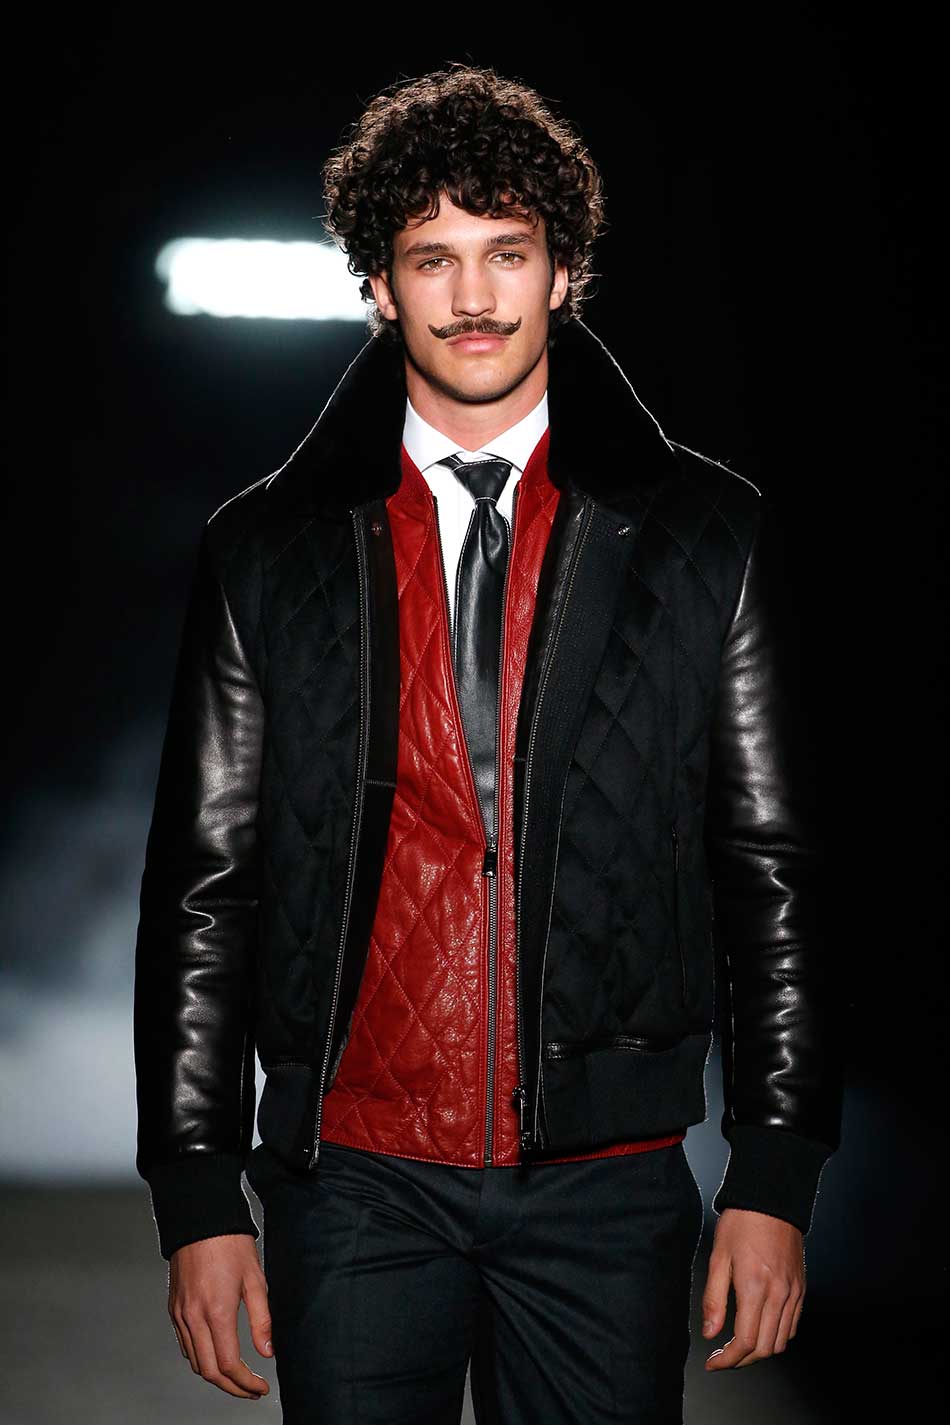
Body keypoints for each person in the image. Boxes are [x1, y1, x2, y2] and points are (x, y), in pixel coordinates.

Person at [133, 63, 843, 1423]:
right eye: (432, 259)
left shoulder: (705, 538)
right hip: (354, 1173)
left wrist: (772, 1171)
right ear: (377, 287)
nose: (472, 296)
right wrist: (197, 1190)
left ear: (563, 272)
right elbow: (205, 888)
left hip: (606, 1177)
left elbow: (772, 869)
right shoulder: (267, 551)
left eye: (506, 252)